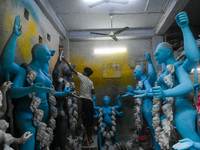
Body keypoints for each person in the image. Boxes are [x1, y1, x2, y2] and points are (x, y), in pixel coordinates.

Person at [4, 17, 71, 150]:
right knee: (29, 142)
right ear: (37, 54)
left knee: (40, 145)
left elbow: (48, 91)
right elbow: (12, 89)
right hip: (26, 114)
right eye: (46, 54)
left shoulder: (44, 72)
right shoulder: (25, 70)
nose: (49, 57)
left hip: (42, 117)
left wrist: (62, 93)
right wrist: (14, 36)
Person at [136, 12, 200, 150]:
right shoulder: (163, 72)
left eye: (158, 53)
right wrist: (146, 94)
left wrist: (185, 28)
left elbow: (193, 62)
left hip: (181, 109)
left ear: (168, 53)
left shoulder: (178, 67)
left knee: (192, 141)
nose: (155, 55)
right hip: (168, 109)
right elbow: (158, 93)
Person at [124, 53, 161, 150]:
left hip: (148, 105)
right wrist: (132, 93)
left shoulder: (147, 81)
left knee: (153, 128)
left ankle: (158, 147)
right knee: (147, 128)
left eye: (135, 71)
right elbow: (141, 93)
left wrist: (149, 60)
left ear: (141, 72)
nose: (134, 73)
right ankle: (152, 145)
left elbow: (149, 90)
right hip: (143, 107)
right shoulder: (142, 82)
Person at [62, 57, 95, 144]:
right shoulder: (91, 82)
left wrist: (65, 60)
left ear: (86, 73)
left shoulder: (82, 77)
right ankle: (89, 138)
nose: (83, 72)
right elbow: (93, 92)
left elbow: (72, 69)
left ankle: (88, 139)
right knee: (89, 121)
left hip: (85, 102)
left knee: (85, 121)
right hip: (90, 102)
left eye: (84, 71)